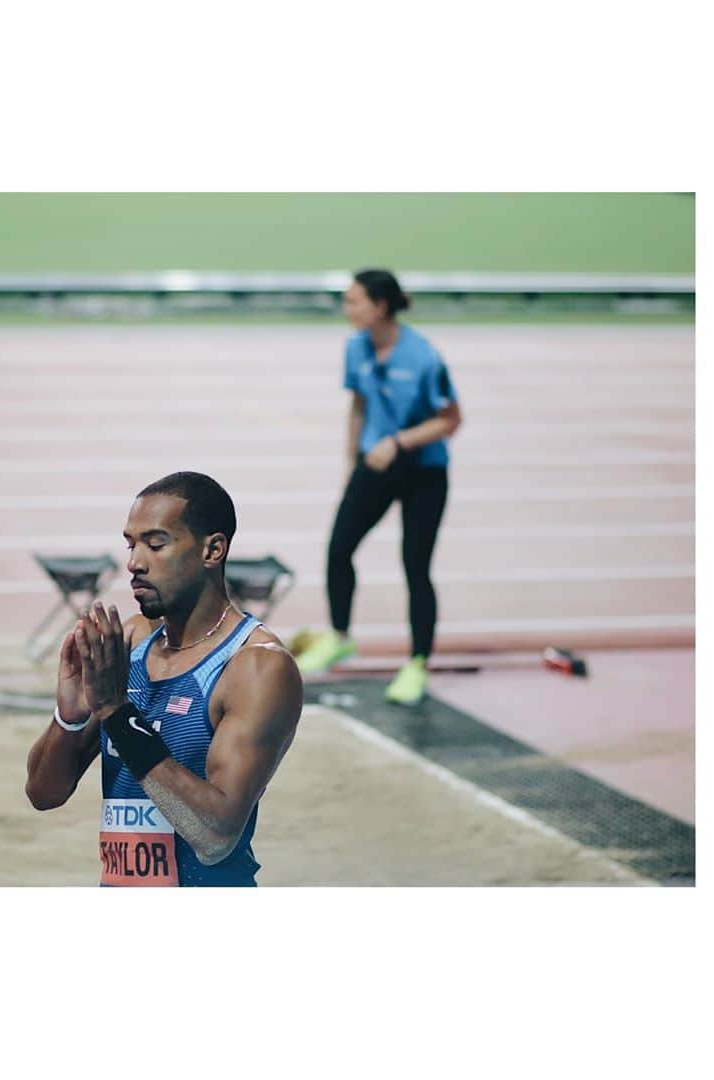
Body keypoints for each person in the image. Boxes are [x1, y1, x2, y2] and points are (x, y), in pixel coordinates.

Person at [25, 471, 302, 887]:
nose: (135, 563)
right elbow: (44, 794)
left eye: (156, 544)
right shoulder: (131, 643)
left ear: (213, 550)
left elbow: (215, 836)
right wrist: (69, 718)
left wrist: (117, 713)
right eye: (131, 544)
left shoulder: (256, 667)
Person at [296, 270, 462, 706]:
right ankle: (340, 636)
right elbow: (359, 403)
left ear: (380, 306)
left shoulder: (424, 357)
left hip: (424, 471)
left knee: (415, 566)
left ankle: (417, 664)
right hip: (374, 465)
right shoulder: (356, 348)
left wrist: (399, 441)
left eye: (354, 301)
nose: (346, 309)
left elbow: (450, 420)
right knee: (338, 550)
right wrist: (352, 461)